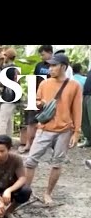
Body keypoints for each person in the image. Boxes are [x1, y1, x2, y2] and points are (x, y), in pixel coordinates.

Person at [25, 53, 82, 205]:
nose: (50, 68)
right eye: (49, 65)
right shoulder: (44, 84)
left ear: (63, 67)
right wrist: (40, 103)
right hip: (45, 128)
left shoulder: (74, 85)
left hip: (64, 129)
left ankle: (48, 193)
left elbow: (77, 109)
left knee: (57, 163)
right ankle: (25, 192)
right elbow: (36, 102)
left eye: (54, 65)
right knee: (30, 161)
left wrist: (76, 132)